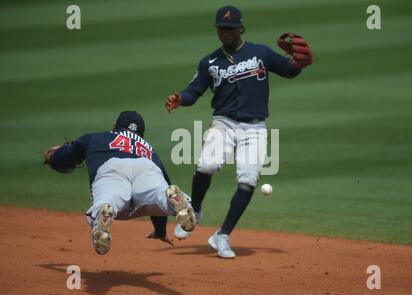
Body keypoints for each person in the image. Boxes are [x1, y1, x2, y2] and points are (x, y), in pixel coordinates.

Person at [165, 6, 313, 258]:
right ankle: (195, 211)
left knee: (247, 181)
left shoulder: (261, 53)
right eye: (222, 29)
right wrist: (180, 98)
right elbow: (194, 90)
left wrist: (298, 65)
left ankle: (222, 235)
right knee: (207, 165)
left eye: (231, 28)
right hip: (223, 123)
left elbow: (288, 70)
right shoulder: (209, 62)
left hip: (255, 127)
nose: (226, 33)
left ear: (241, 28)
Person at [43, 111, 196, 255]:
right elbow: (164, 186)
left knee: (109, 198)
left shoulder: (96, 137)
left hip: (112, 168)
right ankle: (178, 200)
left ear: (115, 127)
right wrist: (160, 230)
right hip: (146, 166)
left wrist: (53, 156)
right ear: (141, 135)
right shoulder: (150, 150)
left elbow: (67, 155)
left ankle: (103, 210)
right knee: (158, 194)